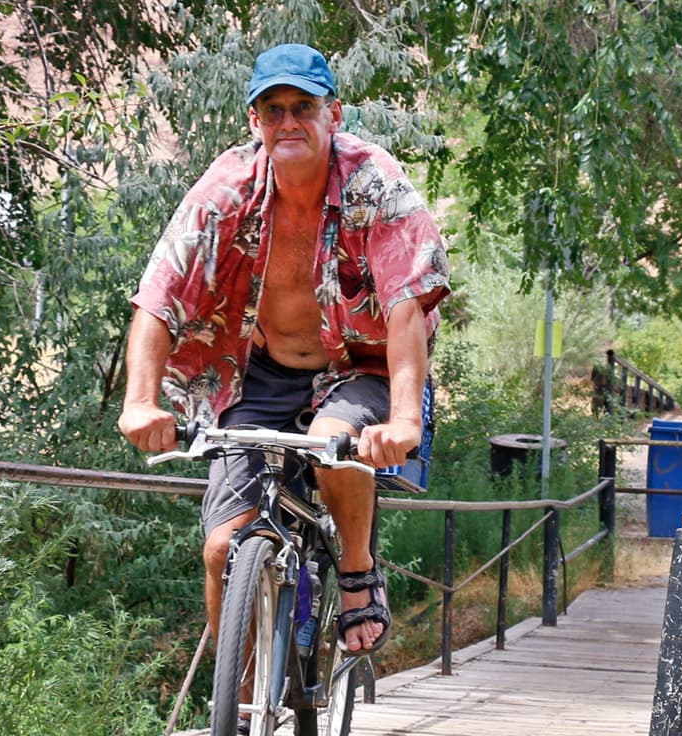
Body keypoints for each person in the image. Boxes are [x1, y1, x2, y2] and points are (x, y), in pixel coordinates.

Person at [118, 43, 450, 695]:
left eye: (304, 107)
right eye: (274, 110)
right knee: (221, 549)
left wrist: (405, 419)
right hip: (259, 372)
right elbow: (159, 293)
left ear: (335, 113)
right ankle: (236, 714)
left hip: (362, 364)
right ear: (254, 121)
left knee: (335, 444)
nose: (289, 121)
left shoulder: (372, 182)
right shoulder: (228, 187)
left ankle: (357, 567)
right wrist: (139, 400)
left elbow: (408, 304)